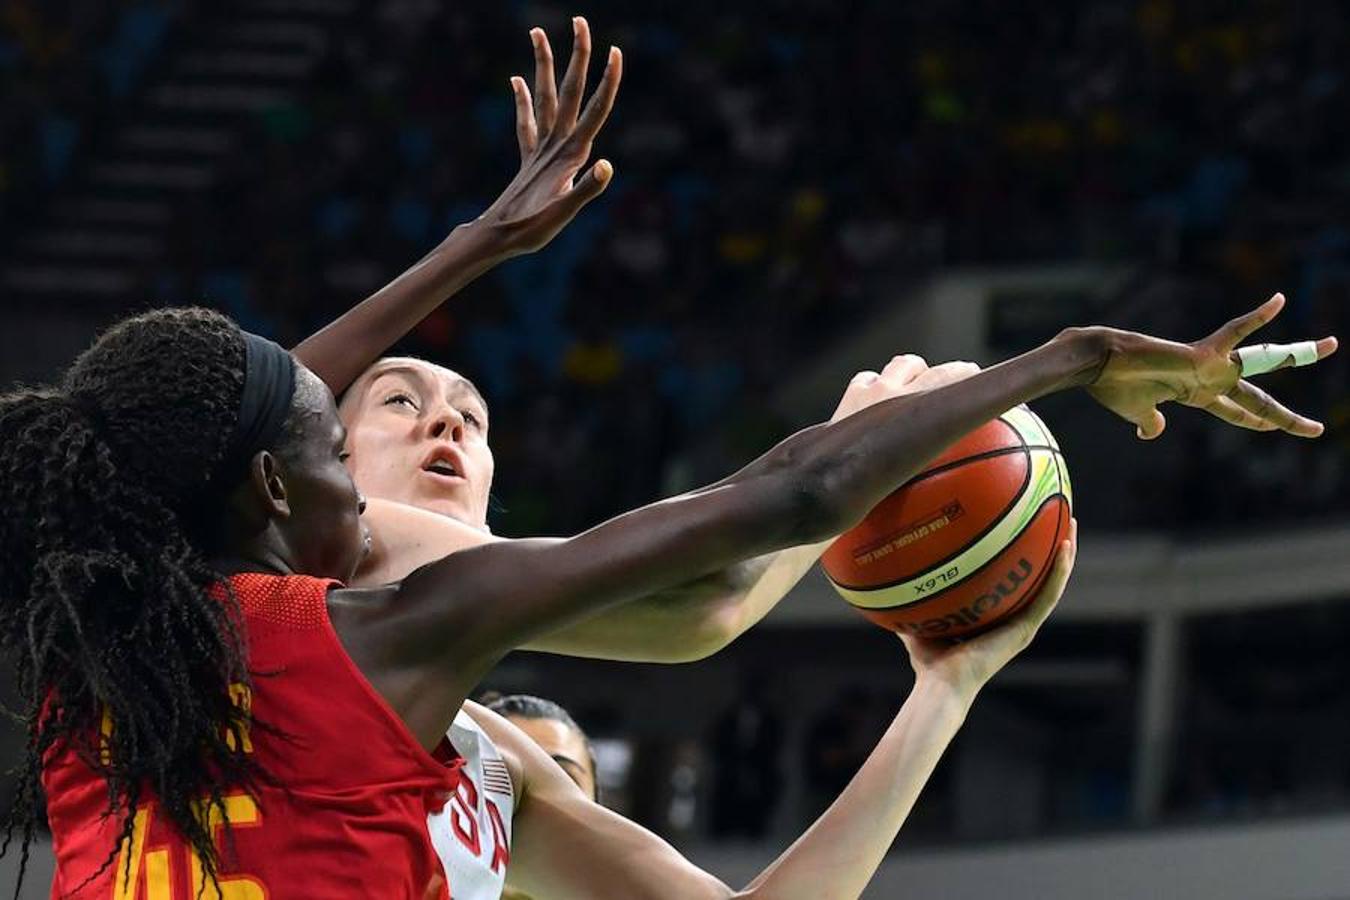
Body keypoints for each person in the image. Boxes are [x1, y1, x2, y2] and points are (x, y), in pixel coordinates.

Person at [1, 286, 1332, 897]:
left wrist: (947, 684)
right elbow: (745, 557)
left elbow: (175, 433)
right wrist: (1063, 358)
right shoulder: (392, 626)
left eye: (468, 407)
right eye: (366, 421)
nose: (422, 439)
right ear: (286, 488)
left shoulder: (103, 644)